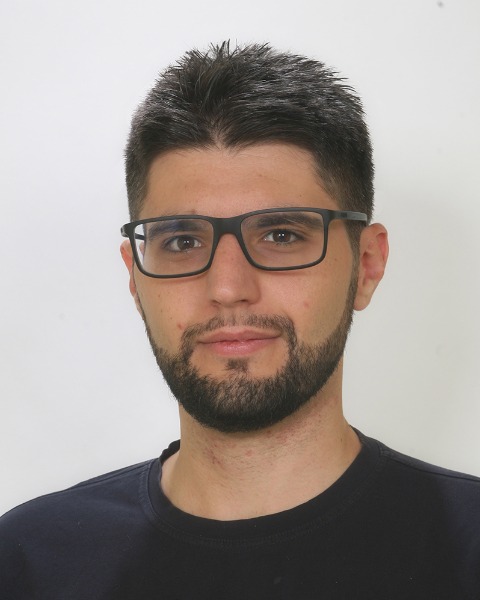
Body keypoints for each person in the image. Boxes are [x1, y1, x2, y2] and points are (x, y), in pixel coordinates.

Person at [1, 41, 479, 599]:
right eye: (182, 242)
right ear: (135, 277)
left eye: (281, 235)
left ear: (367, 266)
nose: (227, 288)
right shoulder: (28, 563)